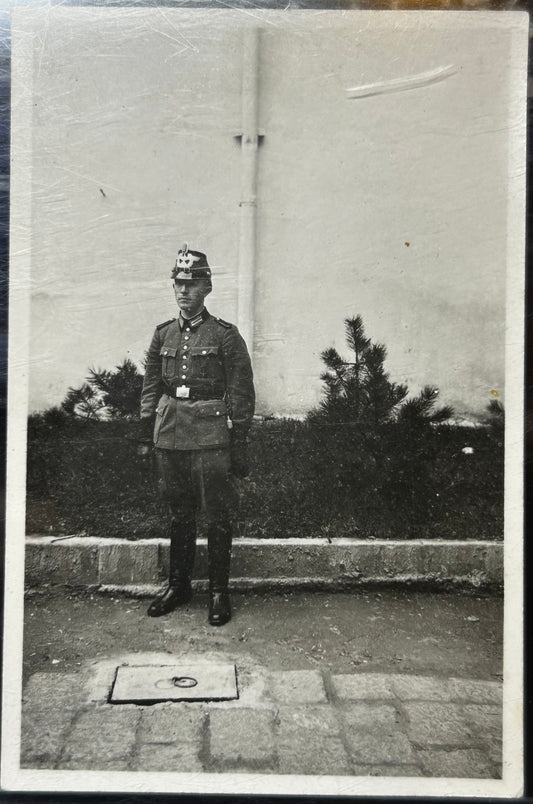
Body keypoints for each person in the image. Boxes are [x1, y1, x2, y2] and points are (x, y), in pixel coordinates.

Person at [138, 244, 255, 625]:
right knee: (179, 513)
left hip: (210, 434)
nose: (184, 291)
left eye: (192, 284)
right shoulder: (163, 334)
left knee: (217, 515)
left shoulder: (224, 335)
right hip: (170, 432)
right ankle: (179, 585)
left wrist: (239, 438)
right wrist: (145, 430)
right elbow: (152, 385)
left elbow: (240, 390)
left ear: (206, 288)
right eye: (178, 283)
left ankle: (219, 592)